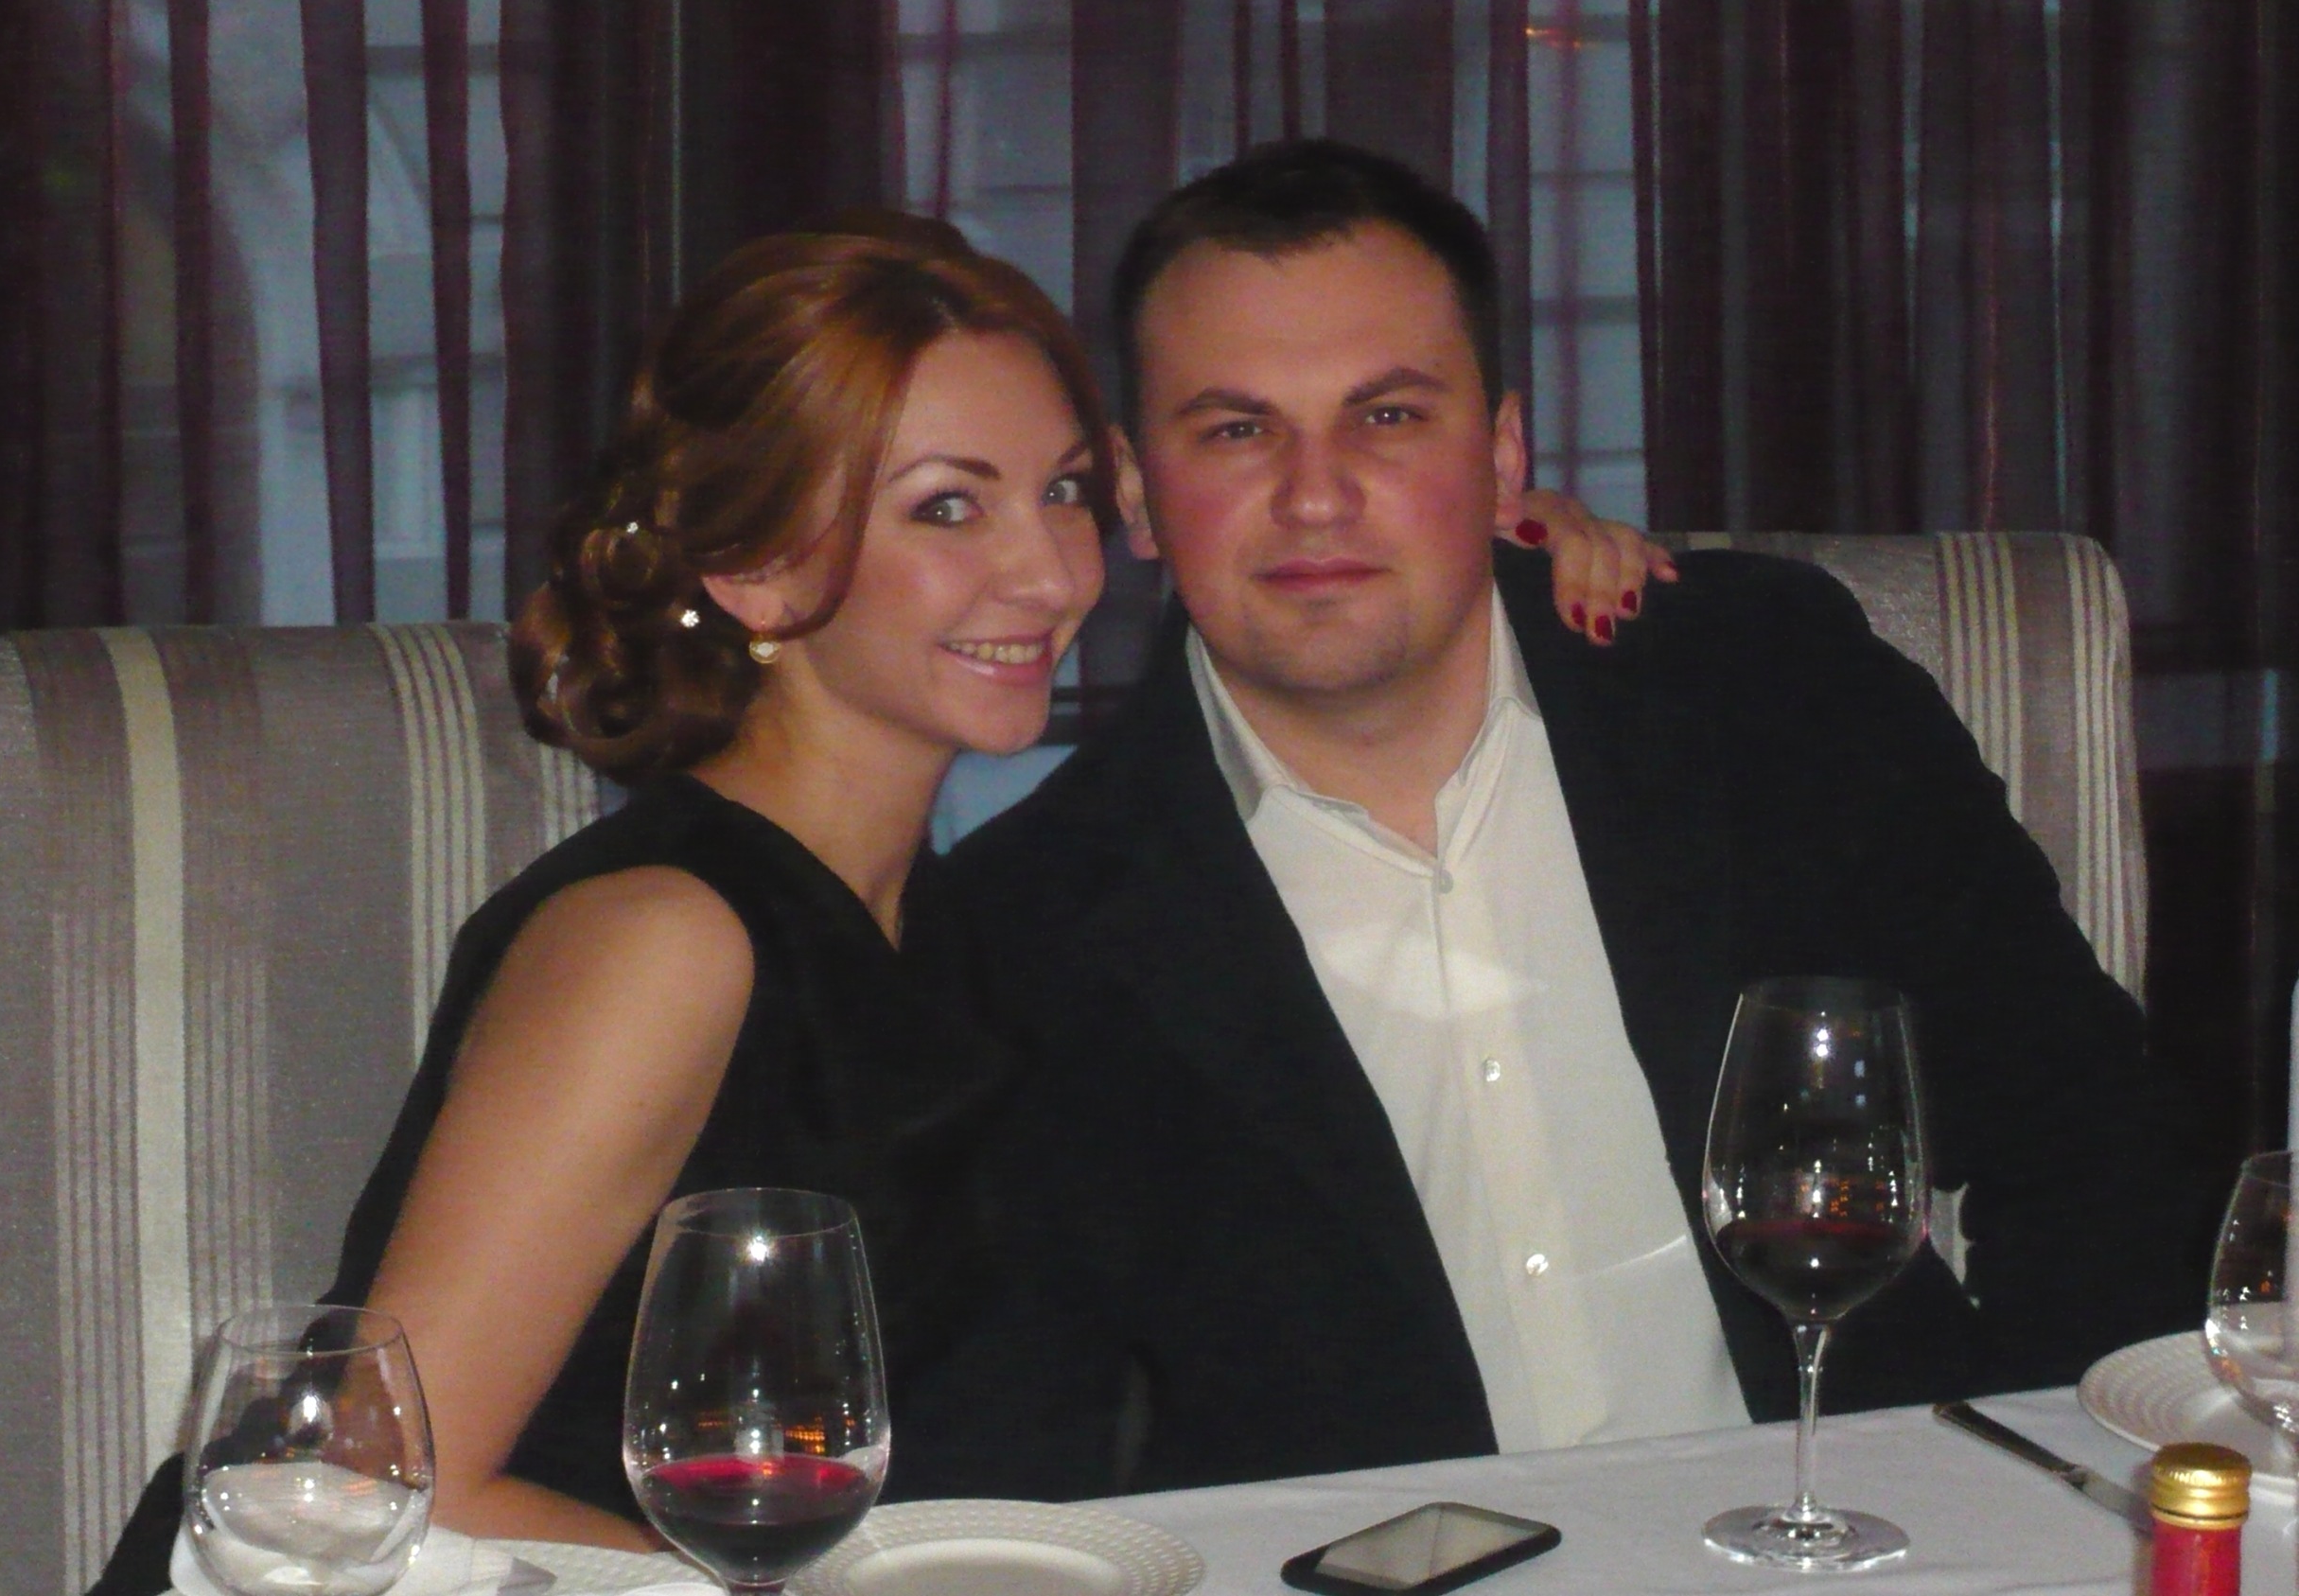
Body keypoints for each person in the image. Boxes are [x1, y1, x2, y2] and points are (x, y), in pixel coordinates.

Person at [87, 211, 1663, 1592]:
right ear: (758, 569)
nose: (1048, 574)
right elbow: (380, 1496)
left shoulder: (975, 927)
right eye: (947, 508)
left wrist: (1515, 548)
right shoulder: (665, 940)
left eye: (1061, 491)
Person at [921, 139, 2206, 1503]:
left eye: (1388, 415)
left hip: (1857, 1534)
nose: (1315, 493)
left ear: (1502, 452)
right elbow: (1026, 1432)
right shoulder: (1027, 926)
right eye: (1238, 430)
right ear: (1135, 491)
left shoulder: (1769, 695)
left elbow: (2087, 1130)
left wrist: (2054, 1492)